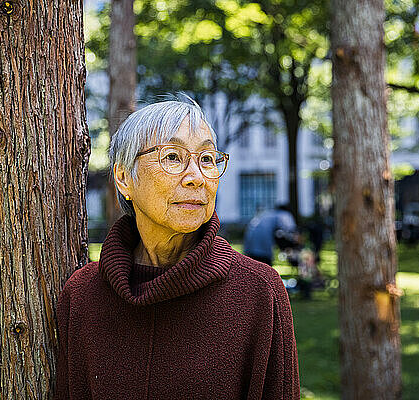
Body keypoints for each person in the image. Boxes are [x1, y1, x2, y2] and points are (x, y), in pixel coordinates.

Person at [55, 97, 300, 399]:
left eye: (208, 159)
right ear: (123, 178)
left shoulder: (259, 292)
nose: (197, 178)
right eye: (172, 157)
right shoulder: (82, 296)